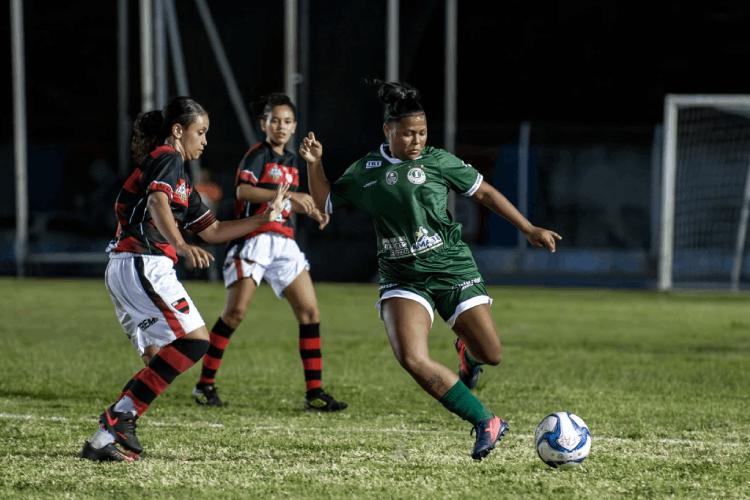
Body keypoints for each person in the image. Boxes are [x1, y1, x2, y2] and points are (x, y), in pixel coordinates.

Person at [298, 81, 561, 460]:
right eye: (408, 133)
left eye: (422, 132)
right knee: (411, 357)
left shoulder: (439, 161)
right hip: (401, 276)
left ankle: (467, 355)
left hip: (451, 267)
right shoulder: (367, 170)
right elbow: (324, 203)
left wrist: (528, 228)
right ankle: (486, 421)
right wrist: (315, 164)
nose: (417, 140)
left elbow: (484, 193)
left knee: (492, 354)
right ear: (387, 130)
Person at [80, 96, 289, 462]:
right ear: (178, 131)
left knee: (160, 357)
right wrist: (180, 243)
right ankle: (120, 416)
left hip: (131, 268)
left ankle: (101, 440)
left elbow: (215, 230)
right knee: (195, 342)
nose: (205, 141)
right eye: (201, 132)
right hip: (142, 262)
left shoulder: (183, 183)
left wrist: (266, 218)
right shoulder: (167, 157)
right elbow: (159, 204)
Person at [192, 93, 347, 412]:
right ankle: (204, 385)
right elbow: (243, 191)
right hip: (254, 237)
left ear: (294, 127)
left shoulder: (293, 161)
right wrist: (292, 196)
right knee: (234, 313)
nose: (281, 126)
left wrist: (312, 210)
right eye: (275, 120)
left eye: (287, 121)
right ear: (263, 124)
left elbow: (291, 203)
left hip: (284, 242)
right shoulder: (257, 155)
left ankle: (314, 392)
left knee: (310, 313)